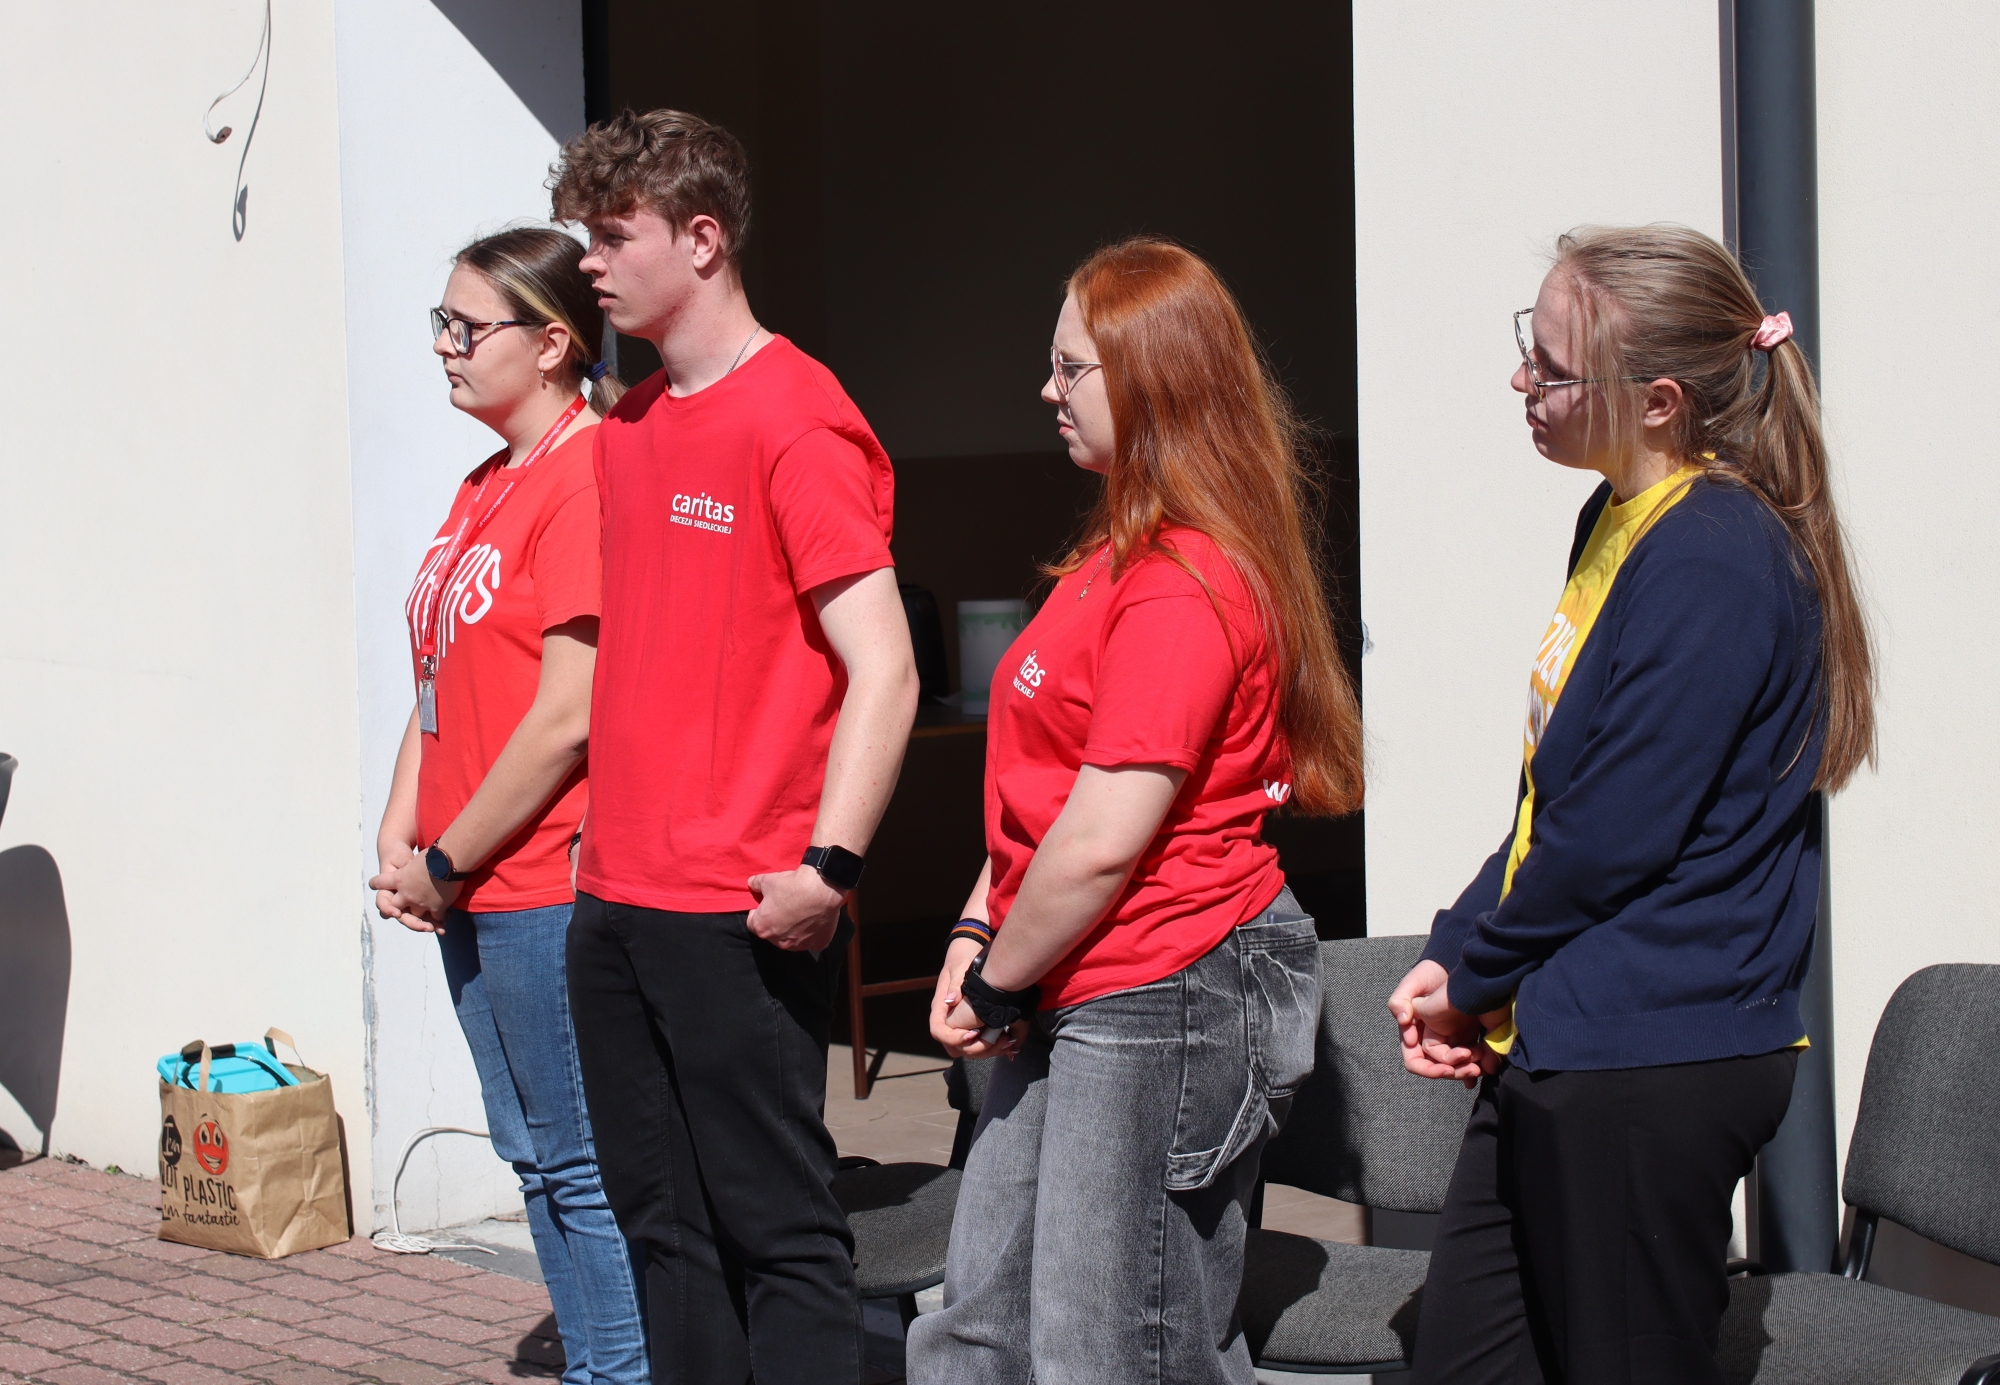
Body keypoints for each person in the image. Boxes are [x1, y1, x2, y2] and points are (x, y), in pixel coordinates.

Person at [1388, 224, 1876, 1385]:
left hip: (1649, 1056)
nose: (1521, 379)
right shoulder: (1616, 518)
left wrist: (1475, 972)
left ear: (1657, 402)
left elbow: (1614, 829)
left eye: (1552, 367)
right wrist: (1457, 945)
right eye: (1530, 344)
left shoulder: (1710, 554)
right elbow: (1553, 798)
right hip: (1568, 1036)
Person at [905, 238, 1366, 1385]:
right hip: (1063, 964)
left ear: (1152, 381)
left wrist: (999, 975)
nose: (1045, 389)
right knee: (978, 1324)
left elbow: (1103, 838)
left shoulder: (1183, 582)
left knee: (1114, 1349)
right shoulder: (1109, 558)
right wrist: (977, 930)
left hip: (1162, 981)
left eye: (1070, 368)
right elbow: (1045, 802)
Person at [546, 109, 919, 1385]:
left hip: (739, 905)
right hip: (616, 896)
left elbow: (885, 667)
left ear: (701, 240)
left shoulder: (796, 419)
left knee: (777, 1230)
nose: (589, 262)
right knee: (662, 1225)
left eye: (614, 236)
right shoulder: (631, 425)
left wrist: (830, 867)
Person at [369, 226, 647, 1385]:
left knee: (578, 1158)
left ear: (552, 343)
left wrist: (445, 857)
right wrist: (403, 827)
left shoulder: (584, 474)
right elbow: (439, 673)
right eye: (439, 321)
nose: (444, 344)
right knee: (529, 1151)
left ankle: (618, 1370)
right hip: (468, 876)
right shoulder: (484, 482)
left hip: (540, 878)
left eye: (465, 325)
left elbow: (565, 714)